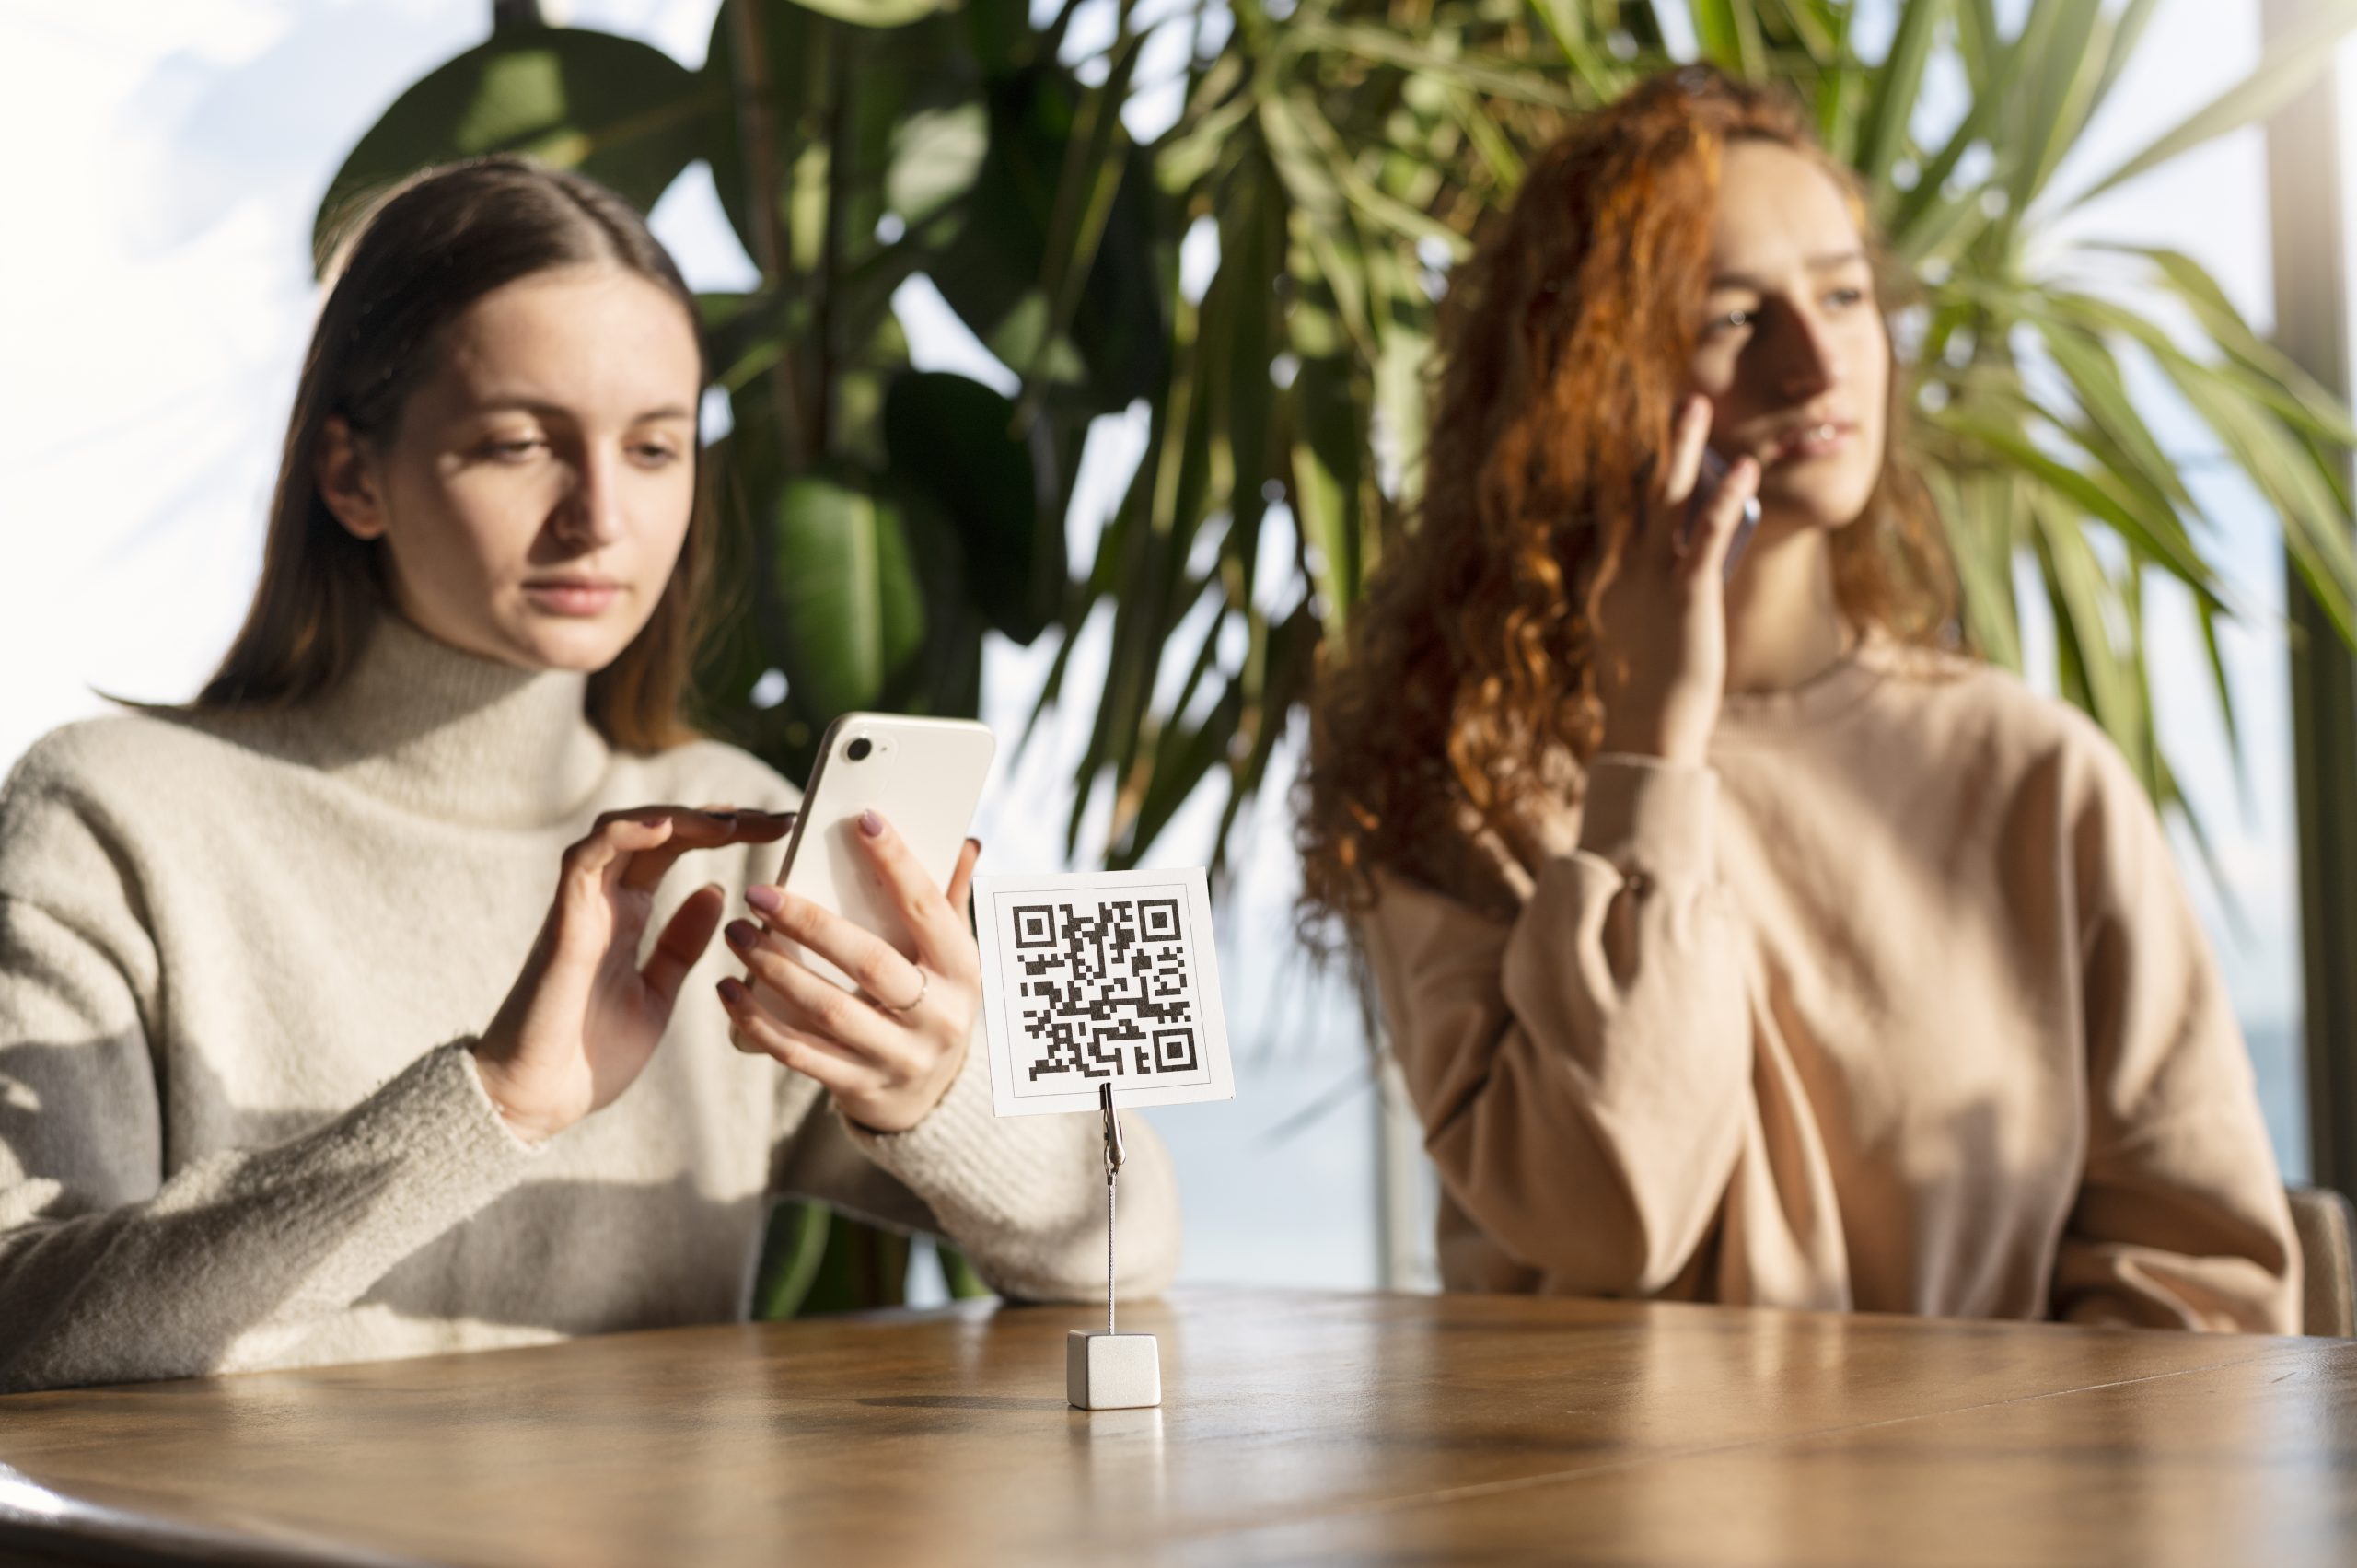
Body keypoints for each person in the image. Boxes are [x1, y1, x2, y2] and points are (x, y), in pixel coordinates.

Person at [0, 157, 1178, 1393]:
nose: (600, 516)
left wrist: (942, 1094)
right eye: (519, 444)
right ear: (352, 476)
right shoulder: (115, 816)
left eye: (657, 449)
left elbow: (1134, 1241)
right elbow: (19, 1327)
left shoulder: (728, 842)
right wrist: (488, 1106)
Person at [1297, 68, 2299, 1332]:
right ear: (1588, 376)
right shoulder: (1476, 793)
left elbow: (2205, 1287)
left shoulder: (2036, 775)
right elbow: (1612, 1213)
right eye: (1732, 317)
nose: (1818, 361)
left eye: (1844, 295)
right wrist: (1654, 754)